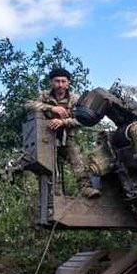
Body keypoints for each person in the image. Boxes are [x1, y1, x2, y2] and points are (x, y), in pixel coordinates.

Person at [25, 67, 99, 198]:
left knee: (78, 162)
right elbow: (28, 105)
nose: (60, 85)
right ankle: (54, 195)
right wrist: (52, 108)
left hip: (67, 137)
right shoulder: (45, 96)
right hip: (47, 137)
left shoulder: (75, 99)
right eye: (57, 81)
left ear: (68, 83)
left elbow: (83, 121)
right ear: (51, 82)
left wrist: (64, 122)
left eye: (63, 81)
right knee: (49, 168)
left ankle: (86, 189)